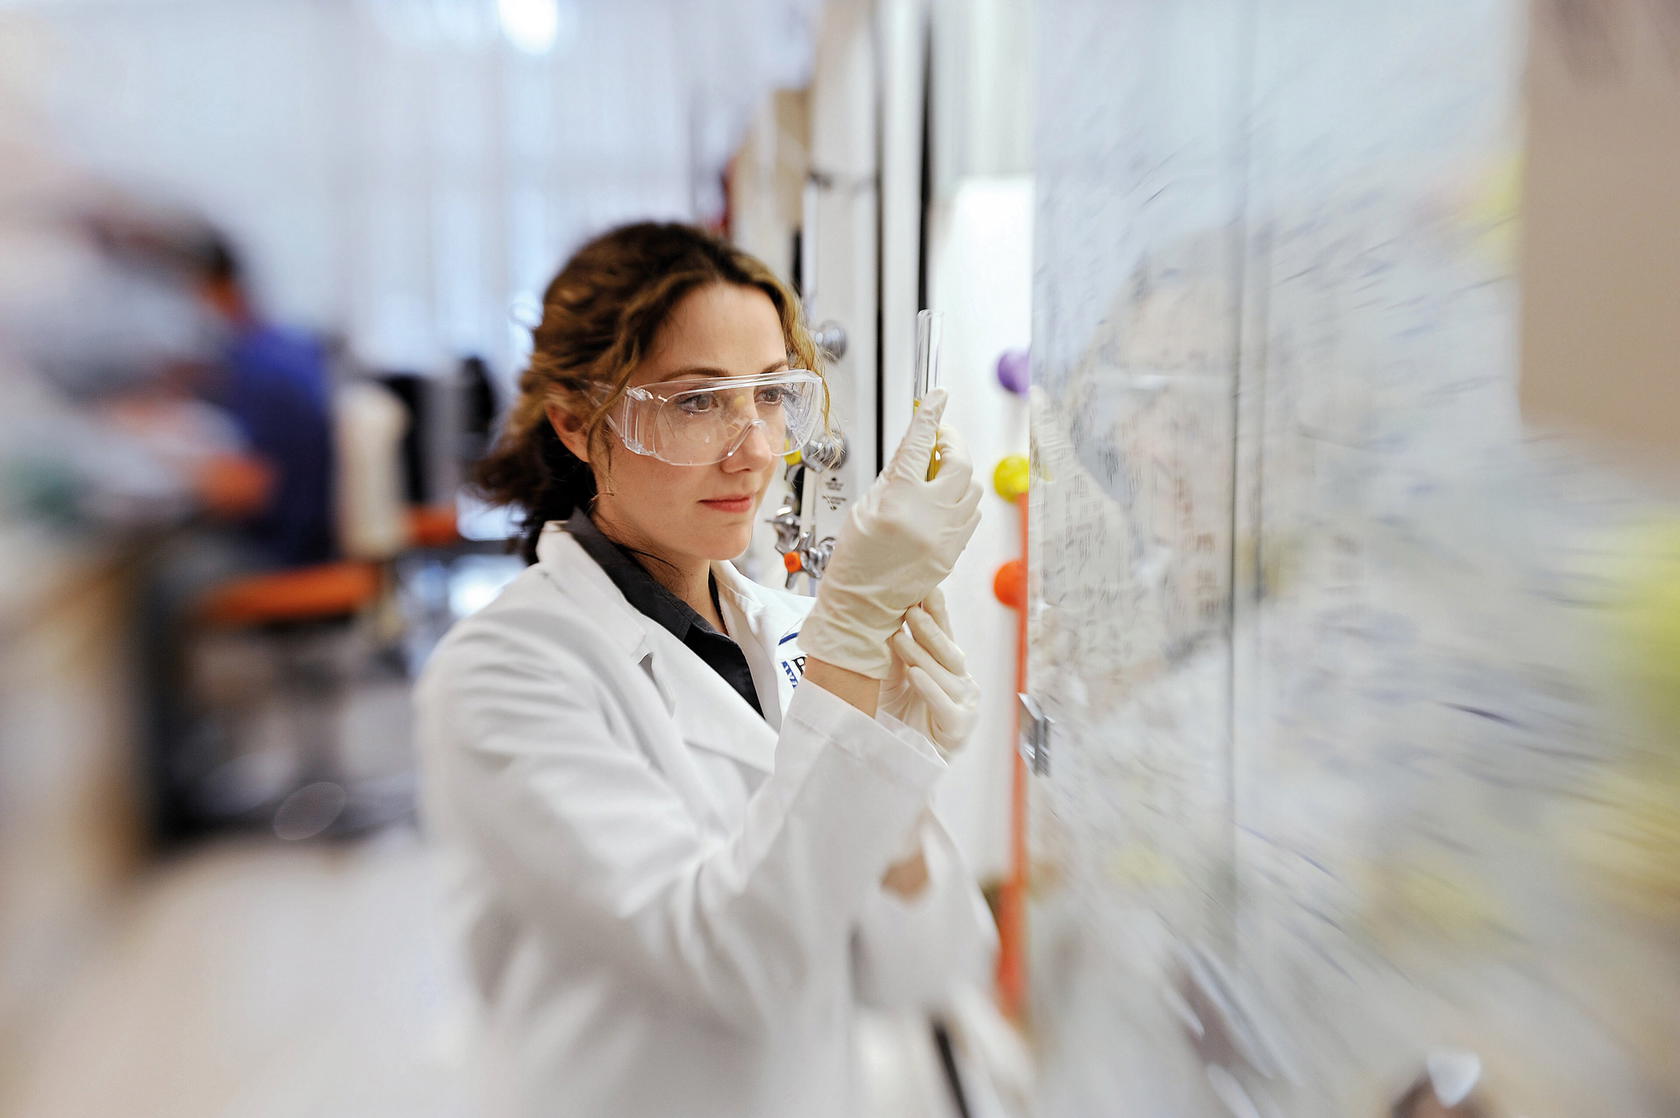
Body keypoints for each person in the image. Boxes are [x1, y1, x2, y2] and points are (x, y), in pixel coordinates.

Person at [416, 222, 995, 1117]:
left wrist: (898, 801)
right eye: (696, 402)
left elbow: (917, 970)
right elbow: (740, 964)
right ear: (576, 421)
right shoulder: (502, 675)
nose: (756, 447)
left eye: (771, 394)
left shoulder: (788, 633)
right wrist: (849, 655)